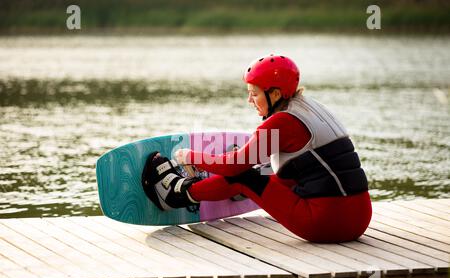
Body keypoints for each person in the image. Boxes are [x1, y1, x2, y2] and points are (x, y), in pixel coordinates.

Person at [141, 54, 372, 243]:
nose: (249, 100)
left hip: (324, 224)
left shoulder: (281, 123)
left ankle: (176, 195)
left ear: (275, 94)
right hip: (360, 219)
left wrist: (189, 156)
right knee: (268, 168)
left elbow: (234, 168)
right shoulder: (312, 107)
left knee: (243, 175)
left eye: (254, 93)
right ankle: (240, 188)